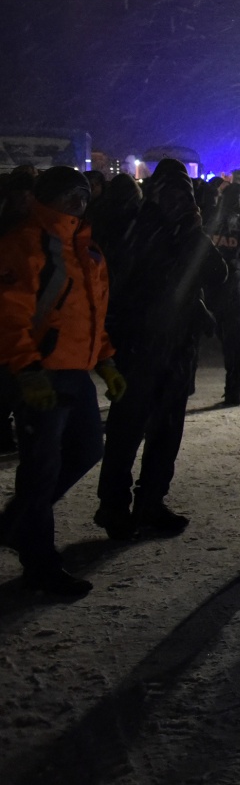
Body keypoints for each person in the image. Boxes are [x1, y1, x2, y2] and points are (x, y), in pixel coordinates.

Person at [0, 167, 127, 596]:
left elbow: (92, 314)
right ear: (48, 198)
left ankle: (19, 524)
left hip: (73, 371)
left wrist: (106, 360)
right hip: (42, 372)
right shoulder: (25, 243)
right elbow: (9, 315)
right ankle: (40, 565)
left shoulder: (87, 249)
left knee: (87, 450)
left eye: (83, 195)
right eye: (70, 195)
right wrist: (27, 369)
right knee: (40, 470)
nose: (79, 202)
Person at [94, 165, 227, 538]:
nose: (176, 203)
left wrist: (193, 233)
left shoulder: (186, 231)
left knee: (167, 430)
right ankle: (114, 506)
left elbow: (216, 274)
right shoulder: (136, 228)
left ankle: (151, 501)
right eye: (169, 195)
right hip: (140, 344)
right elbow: (130, 283)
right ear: (154, 195)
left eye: (182, 196)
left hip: (177, 347)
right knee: (128, 428)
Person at [204, 182, 240, 404]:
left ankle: (182, 390)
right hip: (231, 290)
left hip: (207, 288)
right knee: (234, 344)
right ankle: (234, 391)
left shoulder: (208, 219)